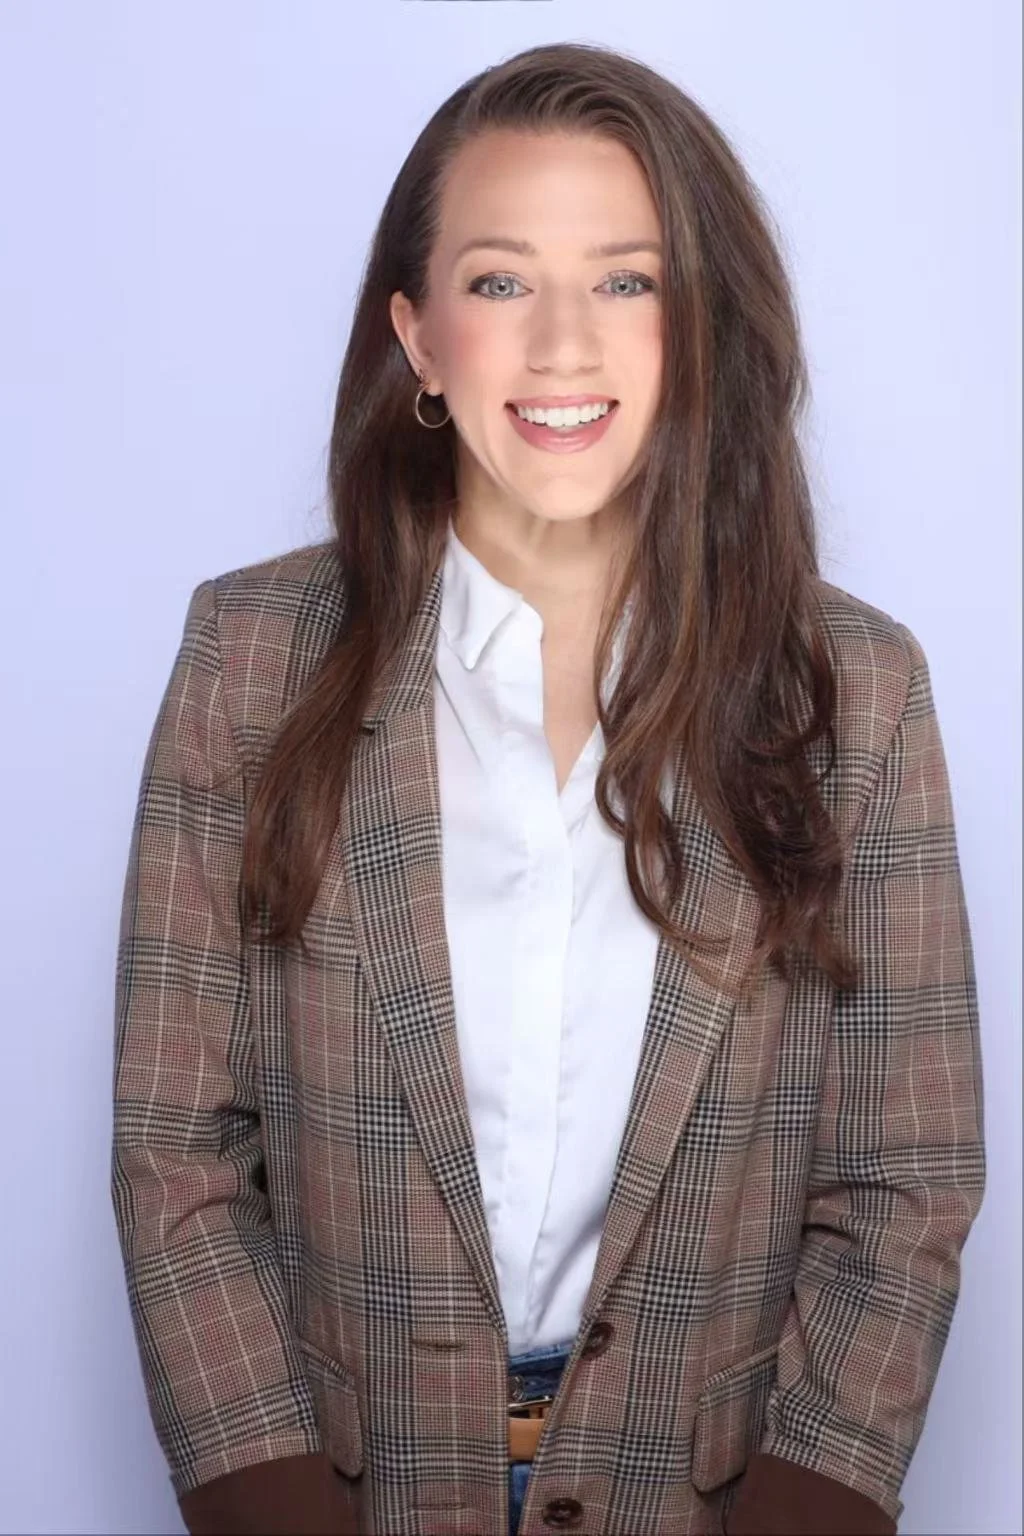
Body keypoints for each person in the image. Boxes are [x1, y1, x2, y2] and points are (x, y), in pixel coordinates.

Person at [109, 40, 986, 1536]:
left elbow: (904, 1178)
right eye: (503, 282)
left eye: (630, 282)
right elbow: (176, 1146)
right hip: (348, 1485)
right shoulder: (249, 658)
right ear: (420, 341)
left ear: (699, 329)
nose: (564, 344)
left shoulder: (860, 690)